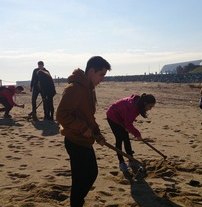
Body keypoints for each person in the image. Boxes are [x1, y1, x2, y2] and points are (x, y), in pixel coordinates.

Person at [56, 56, 111, 207]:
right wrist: (83, 128)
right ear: (91, 71)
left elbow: (88, 116)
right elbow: (61, 115)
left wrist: (97, 133)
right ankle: (76, 203)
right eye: (101, 75)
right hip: (74, 140)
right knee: (82, 178)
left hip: (85, 140)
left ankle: (77, 201)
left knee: (91, 174)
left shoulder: (88, 89)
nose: (102, 79)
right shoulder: (74, 88)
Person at [106, 93, 156, 172]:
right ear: (145, 103)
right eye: (150, 107)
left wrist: (128, 128)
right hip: (113, 117)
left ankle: (131, 160)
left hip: (121, 117)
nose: (150, 109)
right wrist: (137, 134)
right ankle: (121, 162)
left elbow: (128, 121)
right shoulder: (133, 107)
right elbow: (128, 123)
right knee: (119, 139)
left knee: (126, 138)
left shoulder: (138, 105)